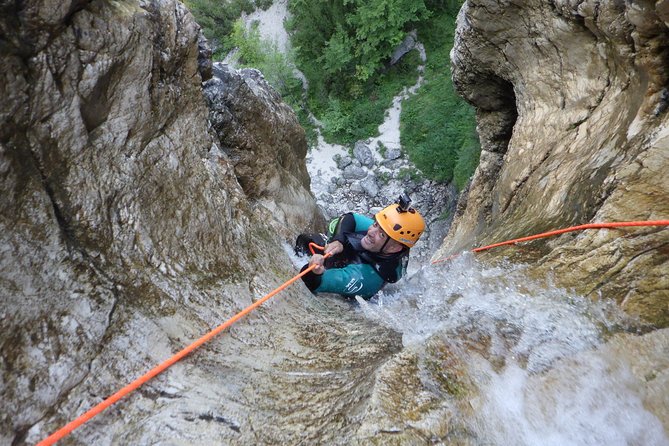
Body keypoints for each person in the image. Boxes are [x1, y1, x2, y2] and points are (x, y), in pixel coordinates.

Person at [295, 195, 425, 299]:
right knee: (310, 239)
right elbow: (351, 218)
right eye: (375, 224)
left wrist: (314, 271)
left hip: (358, 272)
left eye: (381, 234)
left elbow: (314, 283)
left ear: (394, 248)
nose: (370, 231)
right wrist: (338, 240)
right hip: (362, 256)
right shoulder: (392, 239)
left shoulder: (366, 278)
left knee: (310, 243)